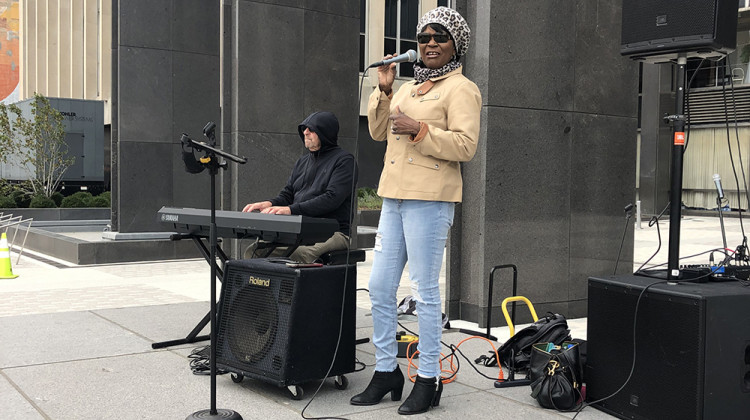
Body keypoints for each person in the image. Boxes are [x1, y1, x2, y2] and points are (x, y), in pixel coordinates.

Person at [349, 7, 481, 415]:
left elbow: (465, 146)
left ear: (455, 43)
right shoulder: (407, 88)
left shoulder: (462, 89)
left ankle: (428, 377)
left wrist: (421, 130)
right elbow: (376, 131)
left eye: (439, 36)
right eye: (423, 38)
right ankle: (388, 370)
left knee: (424, 293)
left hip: (431, 198)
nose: (429, 44)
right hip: (394, 197)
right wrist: (384, 90)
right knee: (381, 288)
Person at [241, 111, 357, 263]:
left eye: (311, 129)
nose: (305, 132)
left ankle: (292, 287)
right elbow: (288, 194)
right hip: (300, 230)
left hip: (334, 232)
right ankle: (264, 287)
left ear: (325, 132)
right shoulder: (302, 161)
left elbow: (332, 198)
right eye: (304, 128)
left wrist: (290, 210)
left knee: (299, 254)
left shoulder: (344, 161)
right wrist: (269, 203)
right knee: (254, 252)